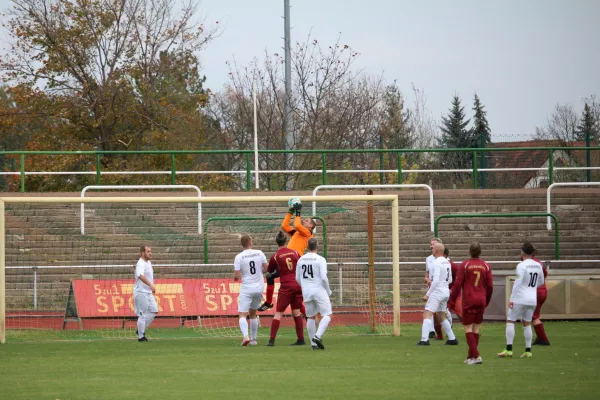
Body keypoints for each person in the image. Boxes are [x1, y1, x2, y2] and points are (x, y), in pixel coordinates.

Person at [258, 200, 315, 312]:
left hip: (294, 261)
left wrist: (298, 212)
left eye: (307, 221)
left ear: (311, 226)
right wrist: (290, 212)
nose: (304, 220)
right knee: (271, 277)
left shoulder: (308, 233)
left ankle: (269, 303)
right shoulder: (298, 233)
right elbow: (284, 226)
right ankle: (269, 303)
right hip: (287, 259)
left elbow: (297, 224)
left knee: (273, 278)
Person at [449, 242, 493, 365]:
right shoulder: (486, 265)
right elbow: (490, 285)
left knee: (468, 328)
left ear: (469, 251)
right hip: (481, 299)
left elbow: (457, 284)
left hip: (469, 299)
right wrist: (487, 299)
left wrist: (452, 300)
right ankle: (470, 357)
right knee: (476, 328)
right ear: (480, 252)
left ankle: (477, 356)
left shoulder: (465, 265)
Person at [498, 242, 544, 358]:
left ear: (522, 252)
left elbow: (518, 282)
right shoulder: (538, 265)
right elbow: (541, 281)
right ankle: (528, 350)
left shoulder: (521, 265)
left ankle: (509, 349)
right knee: (527, 323)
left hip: (520, 297)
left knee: (510, 321)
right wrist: (530, 287)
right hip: (532, 299)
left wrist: (512, 298)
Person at [266, 230, 306, 346]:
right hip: (298, 285)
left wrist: (272, 274)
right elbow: (300, 266)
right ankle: (301, 339)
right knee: (296, 312)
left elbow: (270, 273)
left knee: (278, 313)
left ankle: (271, 341)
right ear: (286, 241)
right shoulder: (294, 252)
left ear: (276, 242)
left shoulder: (275, 256)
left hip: (286, 286)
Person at [417, 242, 458, 346]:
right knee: (441, 315)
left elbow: (435, 281)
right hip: (445, 291)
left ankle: (424, 339)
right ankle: (452, 338)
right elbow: (450, 279)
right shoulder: (447, 261)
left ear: (436, 250)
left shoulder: (436, 262)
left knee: (427, 313)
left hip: (437, 291)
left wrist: (428, 294)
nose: (432, 250)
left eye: (433, 248)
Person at [296, 238, 332, 350]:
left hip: (306, 291)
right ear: (317, 246)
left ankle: (313, 344)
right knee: (327, 314)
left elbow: (297, 278)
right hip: (319, 289)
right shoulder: (320, 259)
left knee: (310, 316)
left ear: (307, 246)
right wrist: (328, 290)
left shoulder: (301, 259)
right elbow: (324, 278)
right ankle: (317, 336)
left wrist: (305, 286)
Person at [234, 234, 268, 346]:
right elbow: (266, 268)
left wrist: (235, 278)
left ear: (242, 244)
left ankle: (245, 337)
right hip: (259, 287)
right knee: (253, 313)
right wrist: (259, 272)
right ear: (250, 242)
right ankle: (254, 339)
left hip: (247, 287)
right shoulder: (259, 253)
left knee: (242, 314)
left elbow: (237, 276)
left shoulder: (239, 257)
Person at [134, 245, 157, 342]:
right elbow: (140, 276)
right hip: (141, 292)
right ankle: (141, 337)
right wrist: (151, 285)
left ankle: (140, 329)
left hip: (148, 292)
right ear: (142, 253)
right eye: (148, 251)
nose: (150, 253)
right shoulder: (141, 263)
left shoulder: (149, 262)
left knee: (154, 311)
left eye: (150, 251)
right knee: (142, 315)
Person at [425, 237, 444, 340]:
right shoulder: (429, 259)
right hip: (432, 287)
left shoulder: (444, 260)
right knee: (432, 310)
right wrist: (427, 278)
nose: (432, 246)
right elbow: (427, 272)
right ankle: (431, 331)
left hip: (440, 288)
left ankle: (425, 339)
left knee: (443, 311)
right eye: (431, 244)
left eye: (434, 244)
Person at [532, 255, 550, 346]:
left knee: (533, 316)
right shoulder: (538, 262)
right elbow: (545, 274)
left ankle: (543, 339)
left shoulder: (527, 264)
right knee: (533, 316)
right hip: (542, 291)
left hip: (536, 292)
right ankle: (540, 338)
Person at [445, 247, 462, 322]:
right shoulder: (435, 263)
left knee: (461, 314)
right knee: (440, 315)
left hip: (454, 294)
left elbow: (459, 279)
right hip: (443, 293)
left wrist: (452, 290)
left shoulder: (452, 265)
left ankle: (471, 330)